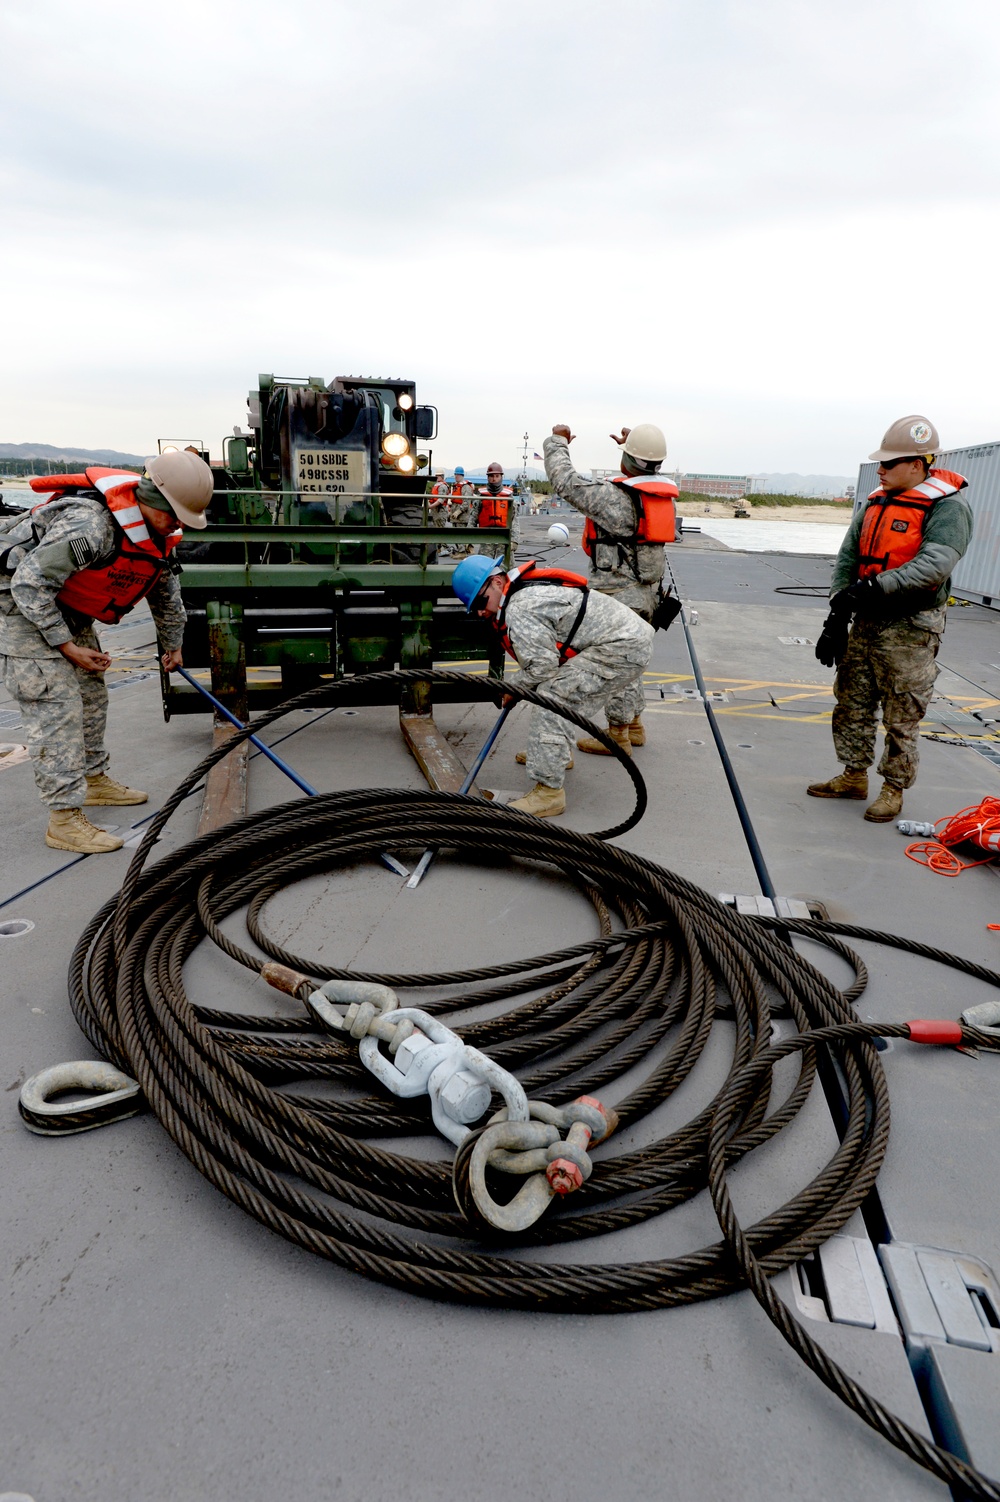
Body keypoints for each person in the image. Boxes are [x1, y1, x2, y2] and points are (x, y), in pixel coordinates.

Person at [0, 450, 213, 852]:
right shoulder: (91, 525)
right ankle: (63, 820)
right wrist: (66, 646)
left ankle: (94, 780)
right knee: (56, 702)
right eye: (176, 515)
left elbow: (164, 589)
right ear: (154, 501)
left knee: (91, 690)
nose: (180, 525)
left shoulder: (157, 533)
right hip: (16, 604)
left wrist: (173, 644)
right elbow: (28, 585)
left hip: (65, 605)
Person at [808, 415, 973, 822]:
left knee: (903, 711)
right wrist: (838, 608)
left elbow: (934, 565)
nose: (879, 470)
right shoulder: (875, 502)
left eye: (889, 463)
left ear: (918, 464)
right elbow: (848, 557)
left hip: (909, 627)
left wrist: (873, 588)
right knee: (852, 701)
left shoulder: (949, 508)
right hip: (864, 621)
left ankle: (893, 789)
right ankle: (852, 775)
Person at [451, 553, 653, 818]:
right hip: (628, 637)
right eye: (473, 607)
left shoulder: (519, 608)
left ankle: (549, 793)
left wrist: (511, 689)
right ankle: (559, 753)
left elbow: (542, 668)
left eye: (480, 600)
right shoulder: (521, 592)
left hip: (621, 648)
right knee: (561, 683)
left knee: (553, 697)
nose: (480, 611)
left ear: (498, 582)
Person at [542, 422, 677, 755]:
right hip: (648, 595)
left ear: (628, 459)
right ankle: (634, 725)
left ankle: (617, 734)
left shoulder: (613, 500)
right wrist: (634, 445)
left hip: (618, 598)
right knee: (634, 658)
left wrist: (558, 441)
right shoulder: (655, 495)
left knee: (614, 663)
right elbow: (639, 467)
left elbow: (565, 481)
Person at [476, 461, 520, 559]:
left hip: (504, 536)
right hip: (486, 536)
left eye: (497, 476)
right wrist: (469, 539)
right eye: (491, 476)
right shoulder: (481, 496)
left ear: (501, 477)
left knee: (507, 566)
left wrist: (514, 540)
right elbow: (473, 517)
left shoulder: (508, 497)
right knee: (484, 564)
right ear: (488, 478)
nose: (494, 479)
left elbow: (515, 520)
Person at [448, 466, 477, 557]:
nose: (456, 476)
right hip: (455, 516)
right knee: (456, 534)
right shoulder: (455, 486)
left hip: (462, 516)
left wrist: (458, 512)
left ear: (462, 475)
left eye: (458, 474)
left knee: (460, 534)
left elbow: (466, 502)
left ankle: (462, 552)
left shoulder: (465, 487)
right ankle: (463, 549)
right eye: (455, 474)